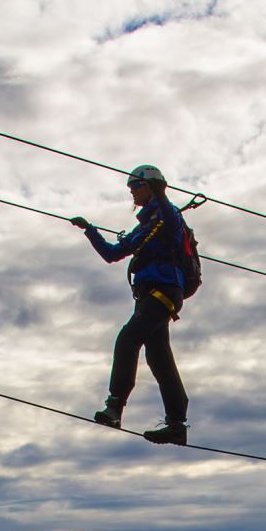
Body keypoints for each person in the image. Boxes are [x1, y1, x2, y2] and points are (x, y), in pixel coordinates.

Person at [70, 164, 190, 445]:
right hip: (150, 294)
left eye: (136, 186)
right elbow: (112, 254)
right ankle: (176, 425)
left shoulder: (167, 214)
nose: (132, 192)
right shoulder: (144, 227)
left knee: (128, 339)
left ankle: (115, 406)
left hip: (164, 289)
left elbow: (171, 222)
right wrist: (90, 230)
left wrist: (161, 195)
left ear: (150, 186)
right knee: (158, 358)